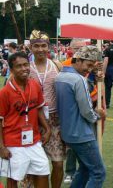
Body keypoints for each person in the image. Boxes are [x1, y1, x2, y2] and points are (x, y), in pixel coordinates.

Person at [55, 45, 106, 188]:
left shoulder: (60, 77)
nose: (89, 70)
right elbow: (86, 111)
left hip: (68, 132)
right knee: (98, 172)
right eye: (88, 65)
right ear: (77, 60)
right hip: (81, 133)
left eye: (92, 66)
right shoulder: (79, 80)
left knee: (84, 168)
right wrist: (97, 115)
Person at [0, 52, 51, 188]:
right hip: (13, 143)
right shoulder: (5, 92)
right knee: (13, 179)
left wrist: (47, 128)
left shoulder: (34, 85)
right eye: (19, 66)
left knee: (43, 170)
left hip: (34, 140)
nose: (24, 68)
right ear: (11, 70)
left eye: (26, 65)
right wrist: (1, 147)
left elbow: (38, 108)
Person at [28, 30, 65, 188]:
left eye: (44, 46)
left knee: (57, 164)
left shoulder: (57, 65)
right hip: (32, 121)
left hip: (55, 120)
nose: (40, 49)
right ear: (31, 48)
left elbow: (67, 87)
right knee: (33, 167)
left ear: (48, 47)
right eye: (37, 46)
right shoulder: (25, 67)